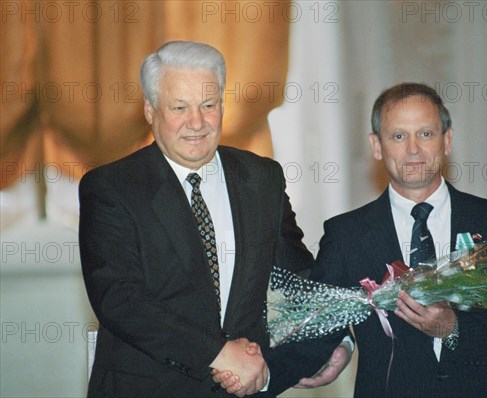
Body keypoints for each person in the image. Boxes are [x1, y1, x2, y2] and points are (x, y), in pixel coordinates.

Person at [229, 82, 487, 397]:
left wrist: (453, 328)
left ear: (447, 141)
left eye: (426, 134)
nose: (413, 149)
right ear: (377, 145)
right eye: (399, 135)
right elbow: (317, 332)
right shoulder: (347, 234)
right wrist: (259, 376)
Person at [79, 40, 336, 397]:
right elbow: (120, 299)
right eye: (179, 107)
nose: (196, 123)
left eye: (208, 105)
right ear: (150, 110)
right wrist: (217, 354)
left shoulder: (261, 178)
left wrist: (333, 339)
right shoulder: (112, 187)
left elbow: (299, 278)